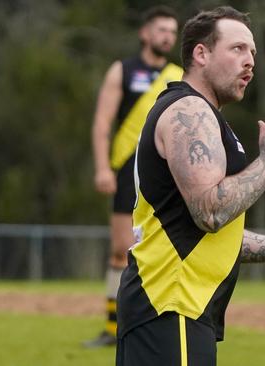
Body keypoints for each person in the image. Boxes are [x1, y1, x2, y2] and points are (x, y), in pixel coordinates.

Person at [115, 6, 265, 366]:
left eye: (253, 53)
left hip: (172, 307)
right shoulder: (190, 111)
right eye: (238, 49)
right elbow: (211, 212)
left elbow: (205, 233)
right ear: (201, 53)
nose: (249, 62)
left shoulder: (205, 116)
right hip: (170, 305)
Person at [86, 5, 181, 348]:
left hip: (166, 173)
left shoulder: (178, 74)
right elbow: (101, 123)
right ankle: (114, 329)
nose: (167, 36)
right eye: (161, 30)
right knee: (121, 251)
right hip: (127, 171)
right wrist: (102, 167)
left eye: (172, 31)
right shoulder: (123, 71)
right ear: (145, 33)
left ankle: (149, 323)